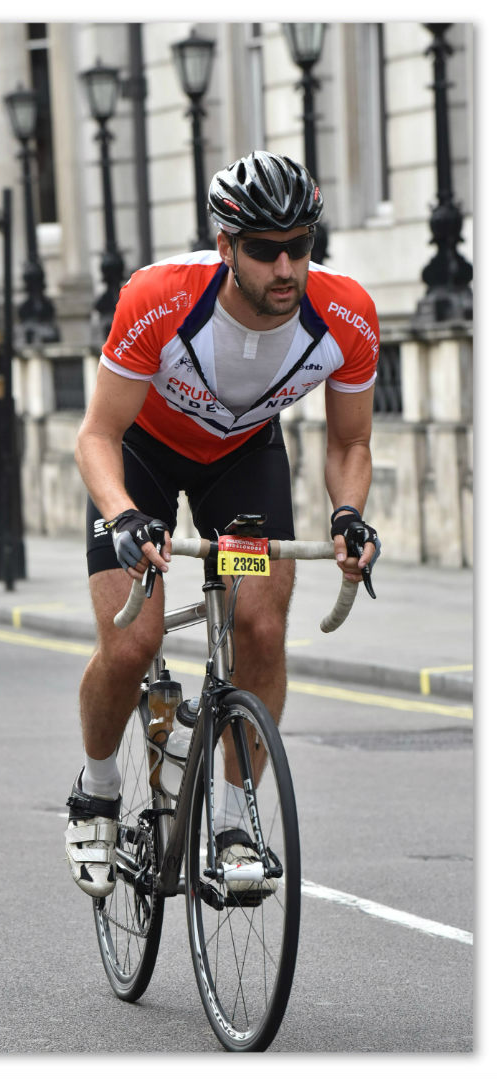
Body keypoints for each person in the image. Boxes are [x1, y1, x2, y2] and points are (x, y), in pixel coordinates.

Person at [64, 150, 381, 898]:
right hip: (140, 455)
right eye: (266, 249)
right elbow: (95, 437)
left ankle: (235, 818)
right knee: (133, 639)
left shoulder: (345, 315)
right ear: (226, 246)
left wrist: (348, 514)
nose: (286, 266)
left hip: (241, 462)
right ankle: (99, 785)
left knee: (261, 626)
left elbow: (348, 443)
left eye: (300, 246)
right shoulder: (160, 298)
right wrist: (122, 515)